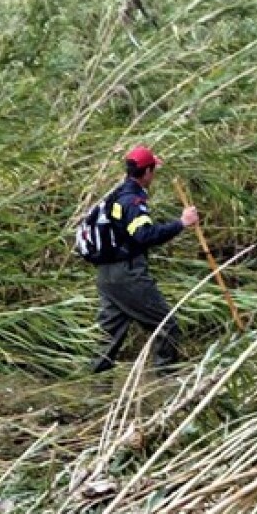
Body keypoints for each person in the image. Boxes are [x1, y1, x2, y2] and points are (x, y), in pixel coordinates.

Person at [90, 145, 200, 373]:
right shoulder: (133, 202)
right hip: (127, 274)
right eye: (153, 171)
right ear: (147, 173)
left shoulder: (115, 195)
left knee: (108, 337)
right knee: (166, 325)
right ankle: (165, 384)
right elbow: (144, 235)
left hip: (106, 275)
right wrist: (181, 223)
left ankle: (93, 389)